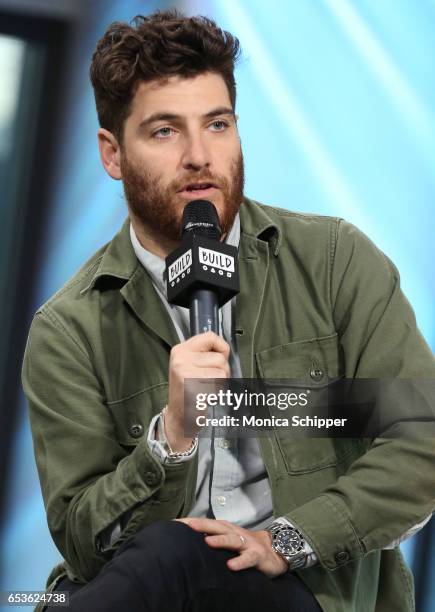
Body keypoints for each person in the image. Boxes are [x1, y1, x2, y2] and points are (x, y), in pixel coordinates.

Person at [21, 9, 435, 612]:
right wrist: (173, 438)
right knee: (165, 557)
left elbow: (421, 438)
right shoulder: (69, 330)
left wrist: (284, 540)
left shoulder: (336, 261)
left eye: (217, 124)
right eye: (165, 131)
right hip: (152, 590)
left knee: (173, 557)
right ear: (112, 154)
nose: (198, 155)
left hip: (304, 588)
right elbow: (85, 541)